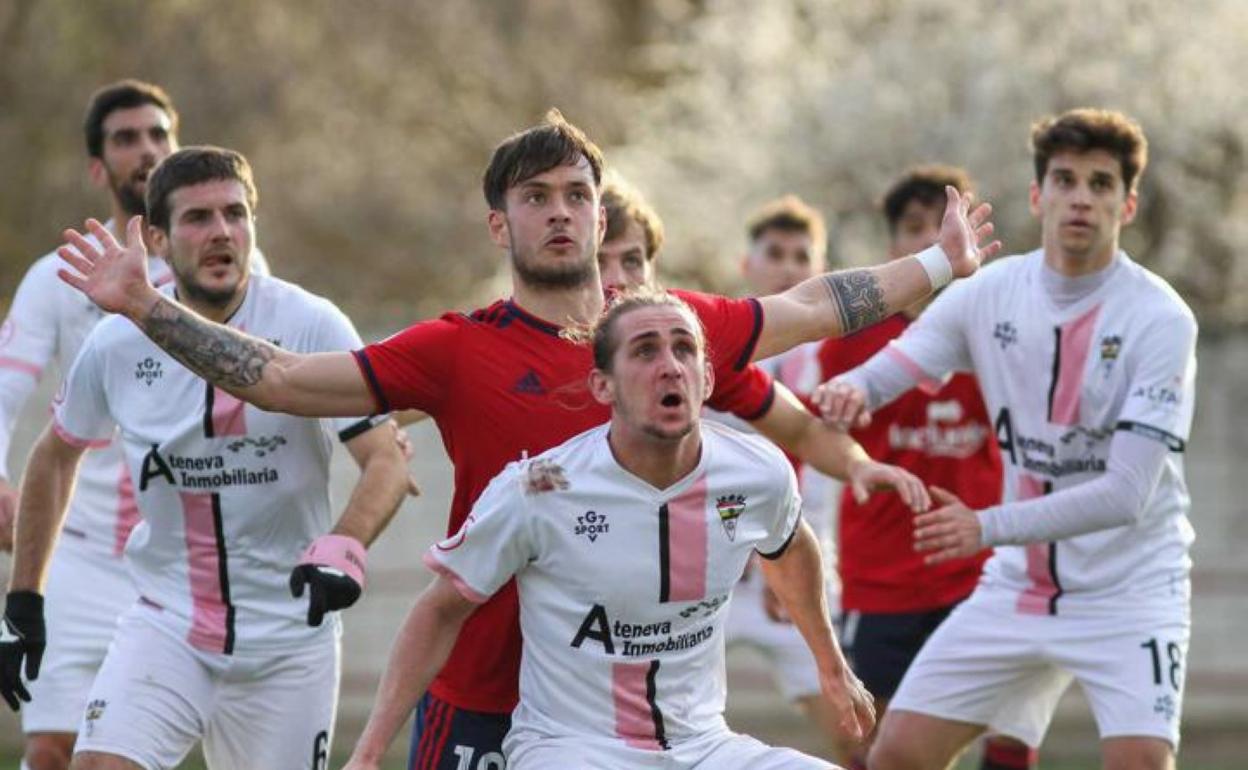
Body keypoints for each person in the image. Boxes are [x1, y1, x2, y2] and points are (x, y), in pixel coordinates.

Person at [42, 110, 999, 769]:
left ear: (598, 209)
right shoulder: (458, 349)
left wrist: (937, 263)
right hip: (481, 686)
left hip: (633, 699)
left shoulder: (665, 331)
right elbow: (287, 381)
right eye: (536, 197)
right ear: (501, 222)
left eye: (576, 193)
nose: (560, 211)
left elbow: (812, 305)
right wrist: (146, 310)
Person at [1, 147, 411, 770]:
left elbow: (386, 459)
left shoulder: (311, 323)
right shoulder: (114, 342)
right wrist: (24, 600)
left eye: (235, 213)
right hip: (167, 628)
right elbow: (55, 456)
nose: (221, 231)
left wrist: (345, 545)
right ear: (158, 240)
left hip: (287, 643)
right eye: (197, 218)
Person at [343, 290, 871, 769]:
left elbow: (791, 544)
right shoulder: (539, 489)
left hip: (704, 745)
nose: (669, 367)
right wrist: (367, 756)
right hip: (569, 749)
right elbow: (439, 610)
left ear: (707, 378)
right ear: (603, 385)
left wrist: (830, 665)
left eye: (684, 349)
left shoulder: (758, 471)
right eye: (644, 351)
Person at [815, 109, 1197, 770]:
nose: (1081, 197)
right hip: (1018, 586)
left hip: (1129, 592)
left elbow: (1127, 494)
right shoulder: (991, 292)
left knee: (1139, 762)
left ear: (1127, 204)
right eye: (1065, 179)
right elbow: (903, 362)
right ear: (1037, 194)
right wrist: (853, 391)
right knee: (895, 754)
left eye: (1101, 184)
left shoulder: (1160, 318)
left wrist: (986, 525)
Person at [0, 79, 272, 770]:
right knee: (56, 745)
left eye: (158, 134)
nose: (146, 149)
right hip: (84, 552)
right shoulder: (55, 277)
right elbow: (7, 386)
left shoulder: (234, 270)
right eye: (126, 138)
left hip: (192, 556)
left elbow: (282, 380)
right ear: (99, 168)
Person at [817, 166, 1034, 770]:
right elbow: (820, 440)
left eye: (940, 228)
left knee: (1009, 732)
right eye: (914, 229)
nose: (928, 242)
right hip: (883, 576)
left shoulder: (1002, 334)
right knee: (872, 743)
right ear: (893, 246)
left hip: (976, 573)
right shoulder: (852, 344)